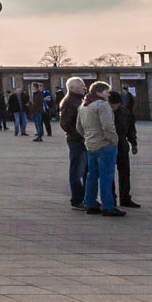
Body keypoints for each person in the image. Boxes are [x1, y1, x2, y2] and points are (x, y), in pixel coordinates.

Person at [77, 82, 124, 217]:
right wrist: (114, 140)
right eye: (106, 92)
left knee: (92, 175)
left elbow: (78, 127)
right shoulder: (102, 105)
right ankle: (108, 206)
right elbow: (108, 126)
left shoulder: (84, 105)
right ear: (99, 92)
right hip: (105, 145)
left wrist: (88, 137)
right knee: (106, 176)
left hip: (90, 145)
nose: (108, 94)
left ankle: (90, 203)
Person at [59, 77, 88, 210]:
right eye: (81, 85)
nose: (84, 87)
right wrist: (80, 137)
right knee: (77, 171)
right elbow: (65, 123)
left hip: (83, 140)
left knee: (86, 170)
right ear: (73, 87)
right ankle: (77, 200)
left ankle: (87, 198)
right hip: (77, 141)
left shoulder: (79, 100)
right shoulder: (69, 102)